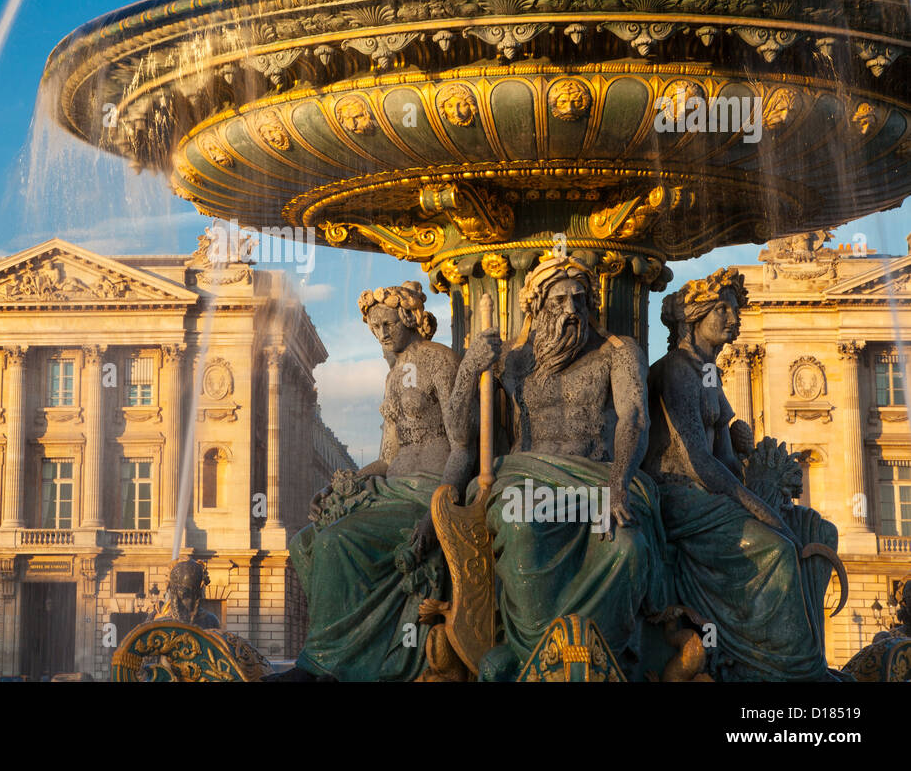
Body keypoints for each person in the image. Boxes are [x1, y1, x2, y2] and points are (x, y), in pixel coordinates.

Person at [285, 281, 493, 681]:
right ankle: (351, 650)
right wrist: (338, 485)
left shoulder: (439, 361)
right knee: (304, 543)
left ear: (410, 318)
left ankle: (323, 664)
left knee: (335, 542)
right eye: (374, 325)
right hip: (390, 488)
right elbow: (388, 457)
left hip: (424, 491)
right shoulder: (395, 376)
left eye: (388, 322)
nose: (381, 332)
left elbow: (462, 447)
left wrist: (438, 510)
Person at [475, 256, 668, 678]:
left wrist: (620, 481)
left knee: (627, 548)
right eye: (558, 300)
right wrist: (471, 366)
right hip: (529, 477)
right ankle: (536, 657)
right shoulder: (510, 360)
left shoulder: (618, 352)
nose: (569, 311)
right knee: (522, 526)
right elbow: (466, 431)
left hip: (599, 476)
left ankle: (606, 661)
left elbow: (634, 417)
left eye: (578, 301)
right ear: (537, 306)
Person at [644, 268, 836, 680]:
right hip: (678, 495)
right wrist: (756, 507)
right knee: (777, 549)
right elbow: (696, 460)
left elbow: (724, 462)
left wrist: (740, 450)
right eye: (723, 311)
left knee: (805, 530)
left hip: (708, 494)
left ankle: (788, 657)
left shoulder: (708, 373)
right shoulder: (677, 370)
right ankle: (786, 666)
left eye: (735, 311)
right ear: (694, 317)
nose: (734, 320)